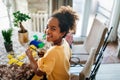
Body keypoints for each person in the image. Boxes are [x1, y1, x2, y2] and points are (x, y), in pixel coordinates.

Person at [26, 6, 79, 80]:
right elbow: (67, 60)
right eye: (47, 27)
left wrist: (30, 57)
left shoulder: (52, 52)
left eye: (53, 28)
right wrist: (46, 57)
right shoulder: (65, 43)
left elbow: (39, 72)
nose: (47, 31)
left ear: (62, 33)